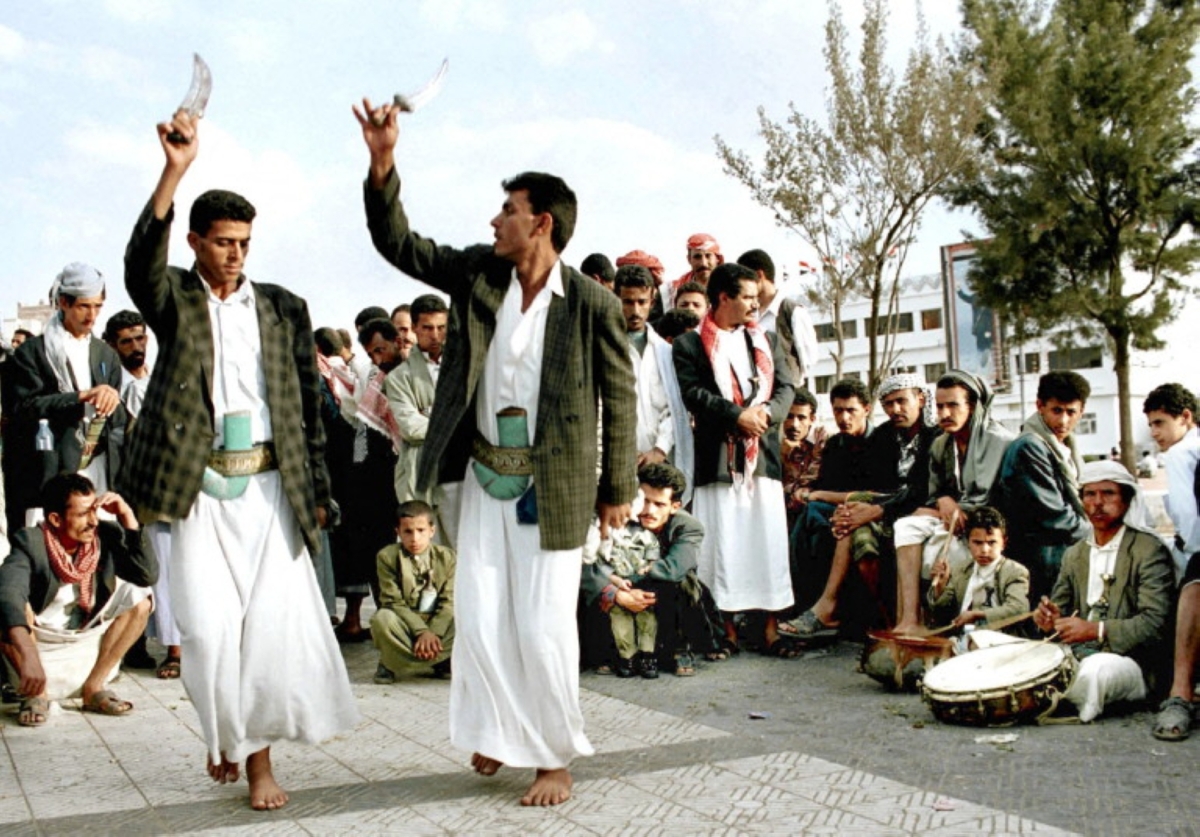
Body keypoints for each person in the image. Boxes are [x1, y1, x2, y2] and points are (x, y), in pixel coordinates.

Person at [357, 97, 637, 806]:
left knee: (541, 624)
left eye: (506, 209)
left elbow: (621, 396)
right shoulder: (481, 276)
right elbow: (403, 246)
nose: (493, 220)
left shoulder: (593, 306)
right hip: (480, 474)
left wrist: (618, 487)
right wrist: (383, 162)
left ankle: (551, 756)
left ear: (540, 222)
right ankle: (495, 729)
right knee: (481, 617)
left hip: (555, 483)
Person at [121, 108, 357, 810]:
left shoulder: (284, 308)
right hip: (196, 491)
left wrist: (317, 490)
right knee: (208, 630)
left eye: (244, 243)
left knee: (269, 634)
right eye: (222, 241)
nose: (234, 254)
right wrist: (174, 171)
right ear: (194, 241)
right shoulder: (176, 301)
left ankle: (257, 763)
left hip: (269, 488)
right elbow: (140, 267)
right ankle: (222, 729)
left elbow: (308, 412)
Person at [673, 262, 795, 657]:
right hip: (719, 459)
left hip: (762, 458)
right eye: (746, 296)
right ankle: (724, 630)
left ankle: (771, 630)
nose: (754, 304)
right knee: (724, 544)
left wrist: (765, 416)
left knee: (767, 542)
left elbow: (786, 388)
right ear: (723, 297)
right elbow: (693, 393)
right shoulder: (690, 344)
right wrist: (734, 416)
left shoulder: (767, 340)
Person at [787, 373, 939, 639]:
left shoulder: (935, 436)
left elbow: (919, 489)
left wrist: (870, 506)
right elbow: (879, 488)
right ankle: (864, 615)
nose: (895, 410)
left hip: (922, 509)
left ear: (921, 399)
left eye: (901, 401)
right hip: (886, 505)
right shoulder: (885, 436)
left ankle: (829, 607)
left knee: (844, 515)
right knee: (846, 517)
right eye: (889, 404)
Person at [0, 474, 155, 727]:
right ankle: (37, 695)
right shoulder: (31, 541)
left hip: (84, 637)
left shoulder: (105, 535)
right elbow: (7, 593)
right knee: (13, 608)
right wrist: (28, 655)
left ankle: (94, 687)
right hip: (37, 650)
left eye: (94, 511)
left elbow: (146, 575)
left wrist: (127, 516)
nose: (93, 521)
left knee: (140, 598)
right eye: (83, 514)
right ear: (56, 519)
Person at [1034, 461, 1174, 722]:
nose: (1098, 502)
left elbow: (1155, 624)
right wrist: (1048, 620)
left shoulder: (1147, 550)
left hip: (1130, 661)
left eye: (1108, 493)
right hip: (1075, 653)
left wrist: (1096, 630)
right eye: (1090, 494)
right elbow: (1059, 611)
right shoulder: (1075, 553)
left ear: (1126, 499)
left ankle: (1053, 698)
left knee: (1097, 671)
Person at [5, 263, 126, 533]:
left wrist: (110, 402)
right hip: (50, 473)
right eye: (84, 306)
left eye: (98, 306)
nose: (92, 315)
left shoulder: (106, 356)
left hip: (96, 471)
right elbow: (24, 408)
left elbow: (117, 420)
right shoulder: (32, 353)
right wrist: (81, 396)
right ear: (63, 303)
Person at [892, 371, 1013, 633]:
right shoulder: (942, 444)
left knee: (939, 553)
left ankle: (947, 624)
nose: (944, 413)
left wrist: (951, 507)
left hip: (985, 524)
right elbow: (937, 492)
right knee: (905, 526)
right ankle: (910, 619)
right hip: (952, 518)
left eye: (953, 405)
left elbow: (989, 498)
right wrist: (945, 500)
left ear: (972, 406)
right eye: (940, 406)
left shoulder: (999, 442)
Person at [102, 309, 176, 675]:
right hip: (122, 490)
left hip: (161, 491)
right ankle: (134, 645)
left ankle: (175, 649)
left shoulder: (161, 381)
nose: (136, 347)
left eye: (140, 338)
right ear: (113, 346)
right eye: (127, 341)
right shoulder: (113, 388)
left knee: (166, 567)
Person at [581, 463, 705, 678]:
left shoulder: (687, 526)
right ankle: (610, 653)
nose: (648, 511)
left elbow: (673, 569)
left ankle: (678, 650)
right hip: (616, 589)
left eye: (659, 504)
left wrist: (626, 583)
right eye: (644, 501)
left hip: (657, 592)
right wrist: (615, 592)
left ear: (675, 506)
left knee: (685, 582)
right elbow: (586, 564)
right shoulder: (618, 513)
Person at [991, 371, 1092, 605]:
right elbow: (1054, 514)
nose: (1063, 421)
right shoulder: (1030, 446)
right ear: (1040, 406)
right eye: (1057, 410)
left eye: (1071, 412)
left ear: (1081, 412)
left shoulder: (1065, 446)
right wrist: (1097, 534)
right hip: (1040, 557)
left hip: (1058, 550)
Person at [783, 377, 874, 636]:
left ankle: (813, 608)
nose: (844, 418)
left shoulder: (879, 441)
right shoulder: (836, 445)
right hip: (835, 511)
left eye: (851, 410)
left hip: (872, 511)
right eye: (838, 411)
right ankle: (804, 604)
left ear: (866, 409)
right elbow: (825, 488)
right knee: (810, 518)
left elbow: (874, 494)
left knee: (815, 515)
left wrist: (820, 495)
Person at [1142, 383, 1200, 740]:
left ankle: (1179, 692)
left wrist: (1192, 550)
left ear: (1186, 418)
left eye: (1160, 423)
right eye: (1151, 425)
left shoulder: (1181, 453)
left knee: (1192, 589)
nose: (1155, 433)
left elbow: (1186, 516)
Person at [615, 264, 693, 502]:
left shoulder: (666, 353)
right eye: (628, 302)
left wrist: (659, 450)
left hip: (662, 461)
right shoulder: (602, 350)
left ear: (652, 300)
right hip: (615, 463)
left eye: (642, 302)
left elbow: (674, 408)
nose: (635, 310)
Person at [386, 294, 460, 544]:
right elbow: (410, 427)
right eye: (427, 328)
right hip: (421, 476)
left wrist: (430, 417)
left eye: (441, 327)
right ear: (415, 328)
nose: (435, 335)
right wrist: (455, 423)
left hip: (463, 474)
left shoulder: (464, 367)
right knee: (427, 558)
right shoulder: (399, 378)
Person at [371, 500, 455, 683]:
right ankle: (390, 661)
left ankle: (440, 658)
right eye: (408, 532)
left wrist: (434, 633)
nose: (415, 538)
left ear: (432, 530)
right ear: (398, 532)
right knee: (382, 619)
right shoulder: (387, 557)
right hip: (405, 624)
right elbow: (393, 602)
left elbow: (449, 602)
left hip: (437, 624)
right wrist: (421, 631)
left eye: (421, 530)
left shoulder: (448, 557)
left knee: (466, 617)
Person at [927, 506, 1029, 630]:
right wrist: (940, 587)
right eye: (977, 542)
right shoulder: (961, 569)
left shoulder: (1014, 571)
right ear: (968, 542)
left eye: (992, 543)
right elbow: (941, 616)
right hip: (962, 639)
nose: (984, 550)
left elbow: (1019, 609)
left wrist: (979, 615)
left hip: (999, 640)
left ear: (1004, 543)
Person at [738, 249, 819, 390]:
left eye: (744, 281)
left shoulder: (793, 312)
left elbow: (809, 359)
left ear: (759, 275)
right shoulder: (747, 314)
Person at [666, 233, 722, 309]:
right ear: (689, 259)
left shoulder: (730, 289)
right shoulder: (671, 291)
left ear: (717, 258)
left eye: (708, 256)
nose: (703, 263)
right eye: (697, 257)